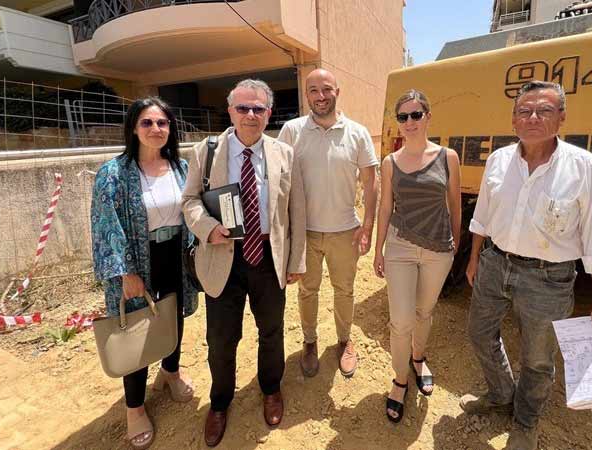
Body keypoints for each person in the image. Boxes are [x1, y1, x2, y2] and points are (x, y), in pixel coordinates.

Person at [462, 81, 592, 450]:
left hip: (548, 279)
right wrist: (474, 260)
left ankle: (525, 422)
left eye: (544, 110)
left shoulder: (585, 168)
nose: (533, 117)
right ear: (513, 119)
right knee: (479, 333)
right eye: (525, 111)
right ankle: (501, 395)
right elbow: (482, 218)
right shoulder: (498, 160)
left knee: (537, 358)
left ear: (561, 117)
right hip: (494, 263)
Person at [182, 79, 306, 447]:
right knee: (221, 339)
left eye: (258, 108)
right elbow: (189, 201)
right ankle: (220, 403)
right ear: (230, 111)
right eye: (243, 108)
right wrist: (208, 228)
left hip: (269, 257)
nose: (250, 115)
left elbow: (297, 210)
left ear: (269, 113)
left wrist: (296, 259)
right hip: (223, 258)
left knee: (272, 331)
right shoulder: (206, 151)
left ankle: (271, 388)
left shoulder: (285, 153)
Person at [91, 97, 199, 450]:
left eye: (162, 123)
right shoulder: (114, 173)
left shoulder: (181, 167)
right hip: (138, 261)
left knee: (173, 317)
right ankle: (135, 407)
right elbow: (106, 226)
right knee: (135, 330)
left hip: (175, 255)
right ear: (134, 128)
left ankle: (170, 371)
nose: (156, 129)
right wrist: (126, 273)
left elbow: (194, 208)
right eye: (147, 123)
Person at [278, 68, 378, 378]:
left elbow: (371, 182)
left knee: (344, 290)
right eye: (313, 90)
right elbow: (278, 181)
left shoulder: (357, 133)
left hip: (345, 231)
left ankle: (345, 341)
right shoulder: (292, 131)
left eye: (326, 89)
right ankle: (309, 341)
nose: (320, 96)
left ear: (337, 92)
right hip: (305, 233)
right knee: (307, 291)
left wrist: (368, 226)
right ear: (306, 95)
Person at [373, 90, 461, 422]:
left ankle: (418, 358)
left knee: (424, 311)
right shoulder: (390, 162)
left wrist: (454, 244)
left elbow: (454, 204)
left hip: (438, 249)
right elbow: (385, 208)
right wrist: (378, 249)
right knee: (401, 320)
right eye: (403, 116)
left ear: (427, 117)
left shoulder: (448, 157)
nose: (409, 122)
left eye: (416, 114)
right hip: (400, 247)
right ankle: (399, 379)